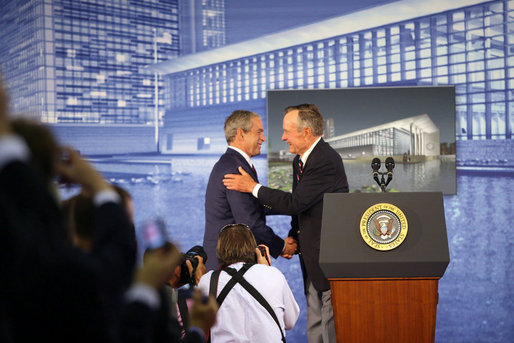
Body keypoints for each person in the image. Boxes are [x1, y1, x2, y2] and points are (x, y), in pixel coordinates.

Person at [223, 104, 349, 343]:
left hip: (330, 258)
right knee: (315, 321)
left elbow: (295, 202)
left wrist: (253, 188)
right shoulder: (299, 161)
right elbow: (303, 208)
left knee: (330, 323)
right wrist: (291, 240)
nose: (282, 137)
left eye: (287, 131)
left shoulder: (325, 160)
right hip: (311, 254)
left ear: (306, 132)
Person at [203, 110, 296, 270]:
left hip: (227, 262)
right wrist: (281, 246)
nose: (263, 138)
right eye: (259, 132)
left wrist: (292, 205)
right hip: (228, 265)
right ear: (241, 134)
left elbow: (252, 206)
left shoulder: (232, 163)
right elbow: (249, 223)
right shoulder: (235, 168)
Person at [198, 224, 299, 342]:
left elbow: (201, 326)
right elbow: (290, 322)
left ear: (220, 248)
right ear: (254, 248)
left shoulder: (207, 281)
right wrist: (267, 270)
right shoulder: (274, 275)